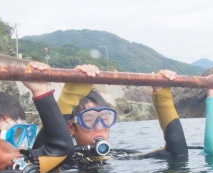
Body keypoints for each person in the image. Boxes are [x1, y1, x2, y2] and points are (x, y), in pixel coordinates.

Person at [34, 64, 187, 166]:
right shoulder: (61, 159)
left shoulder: (119, 156)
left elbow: (177, 153)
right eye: (89, 120)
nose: (100, 126)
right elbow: (35, 160)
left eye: (105, 119)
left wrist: (162, 95)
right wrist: (70, 96)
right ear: (71, 127)